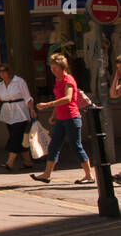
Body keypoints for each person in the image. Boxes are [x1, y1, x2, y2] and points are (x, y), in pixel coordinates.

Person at [30, 52, 94, 184]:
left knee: (76, 146)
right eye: (51, 68)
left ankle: (89, 175)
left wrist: (48, 105)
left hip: (71, 117)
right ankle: (47, 174)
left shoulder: (68, 80)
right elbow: (59, 99)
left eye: (55, 68)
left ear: (62, 67)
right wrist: (54, 115)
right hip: (61, 118)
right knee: (54, 145)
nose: (53, 71)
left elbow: (67, 98)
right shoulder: (57, 80)